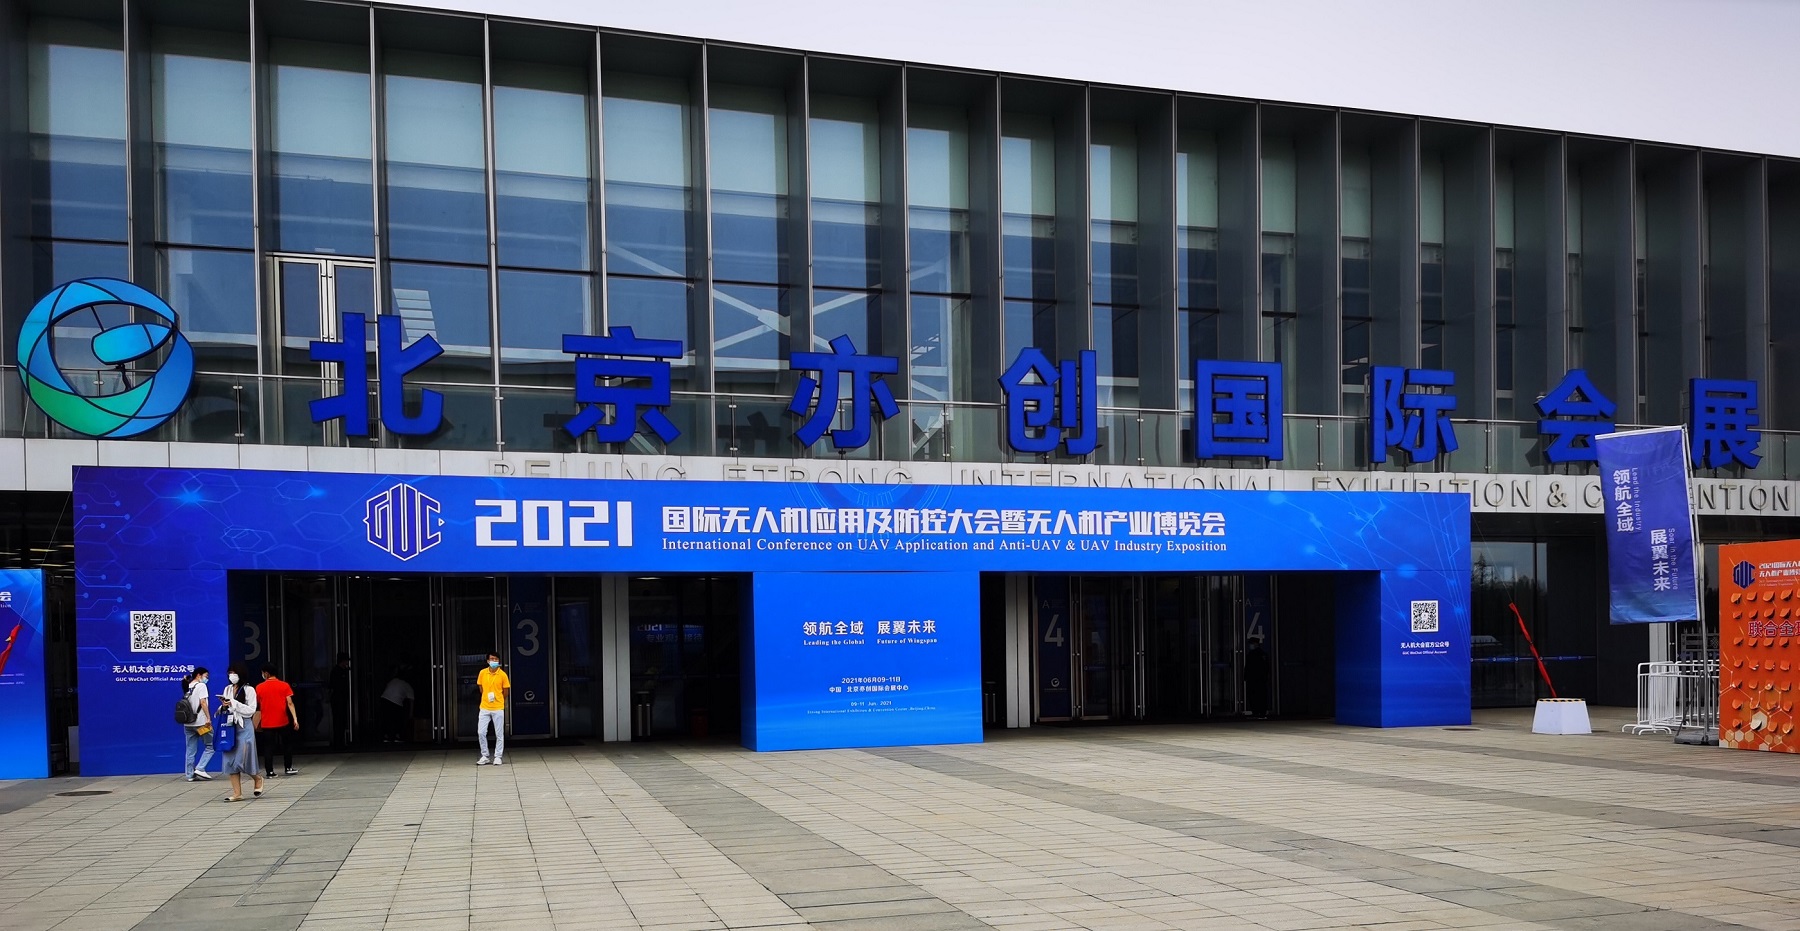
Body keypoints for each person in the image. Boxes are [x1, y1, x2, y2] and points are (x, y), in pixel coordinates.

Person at [217, 663, 263, 802]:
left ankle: (257, 778)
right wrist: (224, 706)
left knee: (243, 757)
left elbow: (251, 710)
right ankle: (237, 793)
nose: (231, 676)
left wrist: (234, 703)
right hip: (231, 726)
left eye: (234, 672)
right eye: (230, 673)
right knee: (230, 759)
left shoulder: (249, 690)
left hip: (244, 726)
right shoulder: (227, 689)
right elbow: (227, 707)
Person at [258, 666, 300, 777]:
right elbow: (290, 703)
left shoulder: (259, 687)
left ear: (266, 673)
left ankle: (269, 772)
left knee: (268, 747)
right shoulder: (284, 685)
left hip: (267, 722)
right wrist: (295, 719)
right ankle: (288, 767)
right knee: (287, 744)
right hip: (282, 721)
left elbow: (257, 703)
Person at [475, 652, 510, 766]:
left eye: (495, 659)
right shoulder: (482, 673)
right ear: (487, 661)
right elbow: (481, 688)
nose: (493, 661)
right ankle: (485, 755)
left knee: (499, 733)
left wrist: (499, 699)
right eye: (491, 659)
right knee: (481, 732)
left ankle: (498, 756)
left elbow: (506, 691)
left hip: (498, 707)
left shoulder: (503, 675)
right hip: (484, 706)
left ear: (498, 661)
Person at [180, 667, 214, 781]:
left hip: (188, 725)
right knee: (211, 745)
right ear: (199, 675)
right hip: (201, 724)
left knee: (190, 749)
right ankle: (200, 768)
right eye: (206, 676)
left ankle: (189, 775)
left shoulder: (187, 685)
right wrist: (208, 718)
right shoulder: (201, 686)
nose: (207, 678)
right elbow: (203, 702)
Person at [377, 668, 415, 744]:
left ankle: (387, 736)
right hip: (394, 702)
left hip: (384, 699)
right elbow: (411, 701)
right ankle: (396, 736)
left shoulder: (394, 680)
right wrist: (410, 714)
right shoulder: (408, 686)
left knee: (387, 718)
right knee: (397, 719)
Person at [1244, 634, 1271, 719]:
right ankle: (1261, 712)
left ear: (1256, 644)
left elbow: (1248, 667)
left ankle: (1257, 712)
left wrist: (1246, 677)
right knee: (1260, 696)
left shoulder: (1252, 655)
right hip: (1260, 679)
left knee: (1255, 696)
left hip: (1254, 679)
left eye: (1251, 644)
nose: (1250, 645)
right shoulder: (1262, 654)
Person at [329, 653, 351, 748]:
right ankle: (338, 742)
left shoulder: (341, 671)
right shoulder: (337, 671)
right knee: (339, 720)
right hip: (338, 699)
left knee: (341, 720)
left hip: (340, 698)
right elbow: (335, 685)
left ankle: (340, 741)